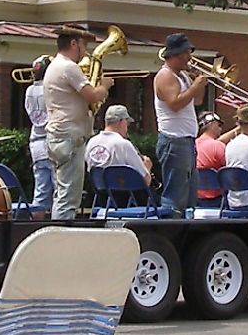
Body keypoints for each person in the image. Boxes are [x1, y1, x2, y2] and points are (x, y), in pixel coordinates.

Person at [44, 26, 113, 220]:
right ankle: (63, 238)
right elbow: (92, 95)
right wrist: (104, 86)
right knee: (69, 197)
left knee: (61, 192)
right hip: (69, 136)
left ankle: (58, 235)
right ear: (73, 43)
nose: (85, 51)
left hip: (59, 135)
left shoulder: (55, 65)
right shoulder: (68, 66)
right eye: (83, 45)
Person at [154, 32, 209, 217]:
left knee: (189, 192)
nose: (190, 57)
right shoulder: (165, 76)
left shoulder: (182, 76)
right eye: (187, 53)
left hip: (186, 141)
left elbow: (197, 101)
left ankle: (185, 226)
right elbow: (175, 104)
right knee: (175, 194)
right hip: (174, 141)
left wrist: (198, 85)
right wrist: (194, 87)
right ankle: (171, 226)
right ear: (176, 54)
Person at [85, 105, 154, 185]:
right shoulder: (123, 144)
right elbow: (145, 181)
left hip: (100, 192)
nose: (127, 127)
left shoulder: (91, 142)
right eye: (127, 123)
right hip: (124, 194)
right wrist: (147, 168)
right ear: (122, 122)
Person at [24, 54, 54, 211]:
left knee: (40, 193)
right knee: (60, 193)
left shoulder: (29, 90)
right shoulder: (51, 89)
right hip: (51, 141)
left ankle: (36, 226)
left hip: (36, 142)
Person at [195, 112, 239, 205]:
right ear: (211, 125)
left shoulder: (193, 144)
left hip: (195, 198)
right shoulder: (218, 146)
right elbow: (231, 169)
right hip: (218, 199)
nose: (221, 128)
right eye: (219, 125)